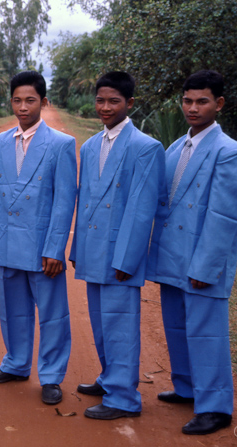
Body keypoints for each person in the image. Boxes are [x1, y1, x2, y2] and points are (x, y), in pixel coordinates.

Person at [146, 70, 237, 435]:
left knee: (207, 333)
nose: (192, 108)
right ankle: (188, 387)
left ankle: (216, 406)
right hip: (172, 256)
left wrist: (205, 266)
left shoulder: (230, 152)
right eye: (187, 100)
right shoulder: (176, 147)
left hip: (203, 261)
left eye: (201, 101)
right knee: (176, 327)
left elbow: (223, 217)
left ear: (218, 104)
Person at [69, 71, 165, 420]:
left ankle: (123, 398)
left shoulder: (146, 148)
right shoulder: (91, 145)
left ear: (130, 104)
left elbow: (143, 210)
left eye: (114, 101)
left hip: (121, 254)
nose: (105, 107)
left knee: (120, 324)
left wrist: (128, 259)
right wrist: (77, 249)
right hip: (93, 249)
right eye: (100, 100)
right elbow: (86, 203)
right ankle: (110, 377)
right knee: (100, 321)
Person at [0, 71, 77, 405]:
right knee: (13, 310)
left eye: (31, 100)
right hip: (8, 242)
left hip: (42, 248)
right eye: (18, 101)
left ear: (44, 102)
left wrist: (55, 248)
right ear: (11, 102)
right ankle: (16, 363)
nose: (23, 107)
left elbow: (65, 200)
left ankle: (51, 375)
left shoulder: (61, 144)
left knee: (52, 314)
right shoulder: (1, 142)